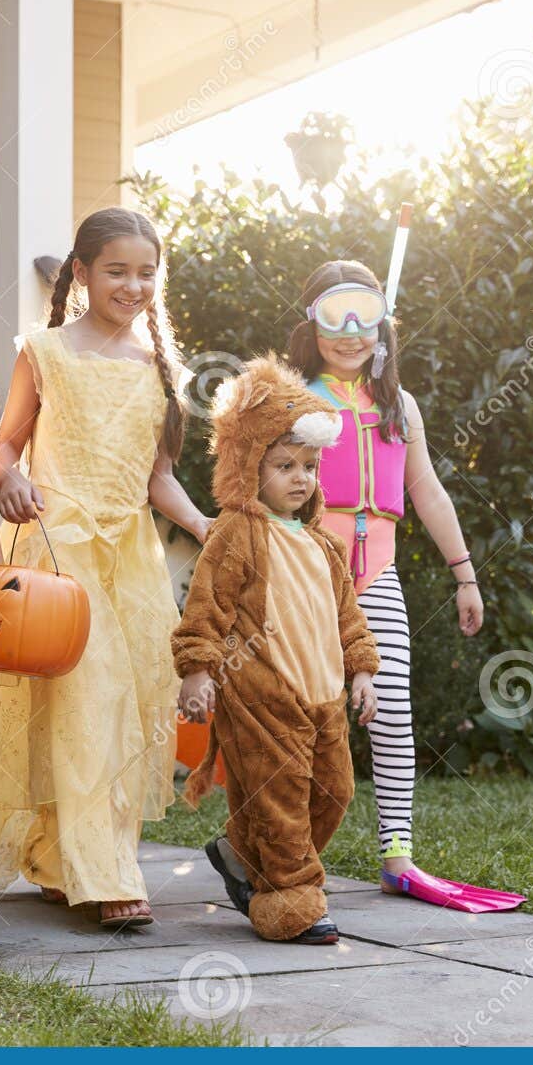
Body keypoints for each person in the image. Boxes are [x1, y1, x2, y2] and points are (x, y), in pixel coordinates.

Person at [0, 206, 211, 929]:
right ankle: (109, 875)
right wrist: (12, 479)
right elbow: (3, 449)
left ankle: (64, 858)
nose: (133, 285)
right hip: (60, 552)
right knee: (85, 701)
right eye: (117, 271)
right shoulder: (46, 350)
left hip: (132, 557)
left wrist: (201, 522)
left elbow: (157, 477)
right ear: (82, 273)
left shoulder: (159, 368)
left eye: (147, 273)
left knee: (125, 714)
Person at [291, 259, 524, 912]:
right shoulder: (294, 400)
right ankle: (280, 850)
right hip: (307, 577)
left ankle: (397, 854)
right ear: (312, 324)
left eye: (365, 314)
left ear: (383, 325)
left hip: (377, 579)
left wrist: (465, 574)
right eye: (336, 314)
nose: (351, 331)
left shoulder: (401, 406)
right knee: (301, 715)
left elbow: (426, 490)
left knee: (391, 710)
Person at [174, 358, 380, 943]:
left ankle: (241, 853)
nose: (300, 478)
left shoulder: (323, 544)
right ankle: (291, 899)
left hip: (323, 696)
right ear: (247, 468)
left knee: (334, 791)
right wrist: (198, 670)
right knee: (280, 796)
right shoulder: (237, 532)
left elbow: (349, 616)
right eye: (283, 465)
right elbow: (206, 606)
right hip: (262, 690)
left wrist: (362, 670)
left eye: (309, 466)